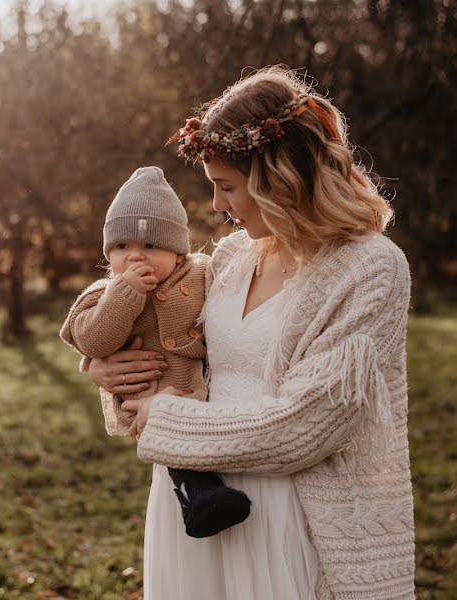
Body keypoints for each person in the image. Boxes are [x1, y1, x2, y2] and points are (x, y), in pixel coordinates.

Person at [87, 66, 416, 600]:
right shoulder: (233, 258)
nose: (217, 206)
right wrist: (104, 367)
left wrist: (170, 420)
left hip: (289, 515)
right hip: (194, 504)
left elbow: (307, 426)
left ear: (279, 178)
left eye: (227, 186)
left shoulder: (370, 269)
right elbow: (155, 326)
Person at [60, 166, 252, 538]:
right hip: (146, 398)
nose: (135, 257)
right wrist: (125, 294)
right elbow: (94, 342)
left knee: (197, 440)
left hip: (200, 391)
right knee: (181, 456)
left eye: (150, 246)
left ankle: (204, 493)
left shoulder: (202, 273)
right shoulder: (103, 295)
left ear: (178, 253)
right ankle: (198, 498)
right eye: (121, 247)